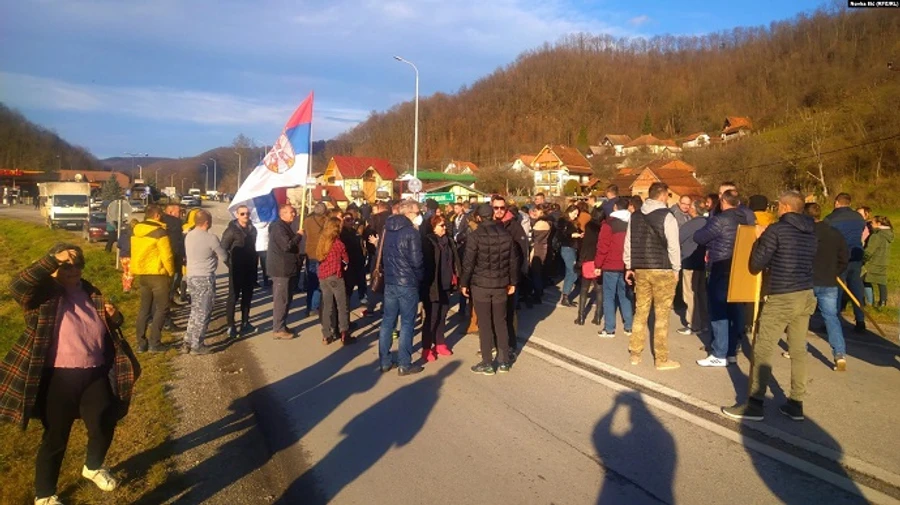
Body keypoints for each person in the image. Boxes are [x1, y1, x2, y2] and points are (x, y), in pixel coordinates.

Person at [0, 244, 139, 505]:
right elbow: (17, 286)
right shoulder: (42, 295)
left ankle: (93, 467)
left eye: (76, 264)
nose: (72, 270)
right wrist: (52, 258)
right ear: (53, 269)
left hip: (94, 372)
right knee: (56, 435)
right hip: (58, 377)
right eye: (65, 265)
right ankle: (44, 495)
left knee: (103, 421)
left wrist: (115, 317)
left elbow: (104, 327)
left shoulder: (90, 291)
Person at [723, 191, 817, 422]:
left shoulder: (776, 230)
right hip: (805, 293)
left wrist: (758, 239)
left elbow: (756, 264)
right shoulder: (812, 231)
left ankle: (755, 403)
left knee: (763, 348)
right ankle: (796, 402)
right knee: (797, 351)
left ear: (784, 207)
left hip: (782, 294)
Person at [624, 182, 681, 370]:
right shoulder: (667, 216)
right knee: (662, 315)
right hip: (662, 269)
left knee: (640, 311)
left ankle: (635, 353)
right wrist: (676, 269)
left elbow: (629, 242)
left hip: (641, 268)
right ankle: (661, 358)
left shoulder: (636, 216)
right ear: (663, 195)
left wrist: (629, 265)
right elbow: (673, 246)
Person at [693, 190, 751, 367]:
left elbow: (700, 237)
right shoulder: (745, 218)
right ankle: (731, 351)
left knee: (718, 311)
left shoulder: (721, 219)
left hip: (720, 265)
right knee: (734, 310)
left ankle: (719, 352)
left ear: (723, 202)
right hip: (738, 267)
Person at [462, 203, 520, 375]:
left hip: (480, 285)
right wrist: (513, 282)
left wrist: (463, 283)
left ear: (479, 217)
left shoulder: (475, 236)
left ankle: (487, 361)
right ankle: (503, 361)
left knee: (485, 324)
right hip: (501, 284)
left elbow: (468, 263)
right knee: (501, 322)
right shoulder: (506, 235)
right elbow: (513, 262)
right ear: (493, 215)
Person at [378, 199, 425, 376]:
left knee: (387, 321)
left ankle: (384, 361)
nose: (418, 215)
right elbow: (417, 261)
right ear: (408, 213)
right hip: (407, 283)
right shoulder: (411, 233)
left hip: (390, 281)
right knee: (406, 323)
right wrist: (419, 278)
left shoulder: (387, 230)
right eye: (416, 212)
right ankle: (404, 364)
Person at [804, 202, 849, 371]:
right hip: (829, 281)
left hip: (807, 280)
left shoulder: (805, 234)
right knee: (831, 318)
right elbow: (844, 257)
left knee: (802, 316)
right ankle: (839, 354)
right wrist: (835, 271)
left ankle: (799, 348)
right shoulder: (835, 233)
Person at [131, 205, 176, 353]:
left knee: (144, 309)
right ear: (156, 216)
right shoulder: (160, 232)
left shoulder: (137, 231)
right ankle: (154, 343)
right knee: (162, 308)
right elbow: (167, 255)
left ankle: (140, 343)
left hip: (143, 274)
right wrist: (170, 272)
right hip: (158, 274)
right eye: (161, 215)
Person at [182, 210, 228, 355]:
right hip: (205, 277)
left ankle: (187, 341)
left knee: (195, 311)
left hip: (191, 276)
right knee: (204, 312)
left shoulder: (189, 235)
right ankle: (197, 345)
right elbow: (224, 256)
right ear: (207, 222)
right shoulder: (211, 238)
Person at [824, 193, 867, 332]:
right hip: (856, 256)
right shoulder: (859, 218)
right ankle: (860, 320)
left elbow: (826, 239)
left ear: (837, 202)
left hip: (839, 258)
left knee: (836, 291)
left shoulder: (831, 218)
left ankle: (832, 322)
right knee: (856, 288)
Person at [421, 215, 460, 361]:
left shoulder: (449, 241)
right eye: (441, 225)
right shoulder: (428, 241)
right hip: (432, 285)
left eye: (445, 225)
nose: (445, 228)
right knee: (432, 317)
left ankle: (440, 343)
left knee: (443, 315)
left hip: (446, 283)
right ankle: (426, 347)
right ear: (433, 227)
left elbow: (454, 260)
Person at [595, 198, 632, 337]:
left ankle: (609, 328)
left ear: (615, 207)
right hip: (626, 264)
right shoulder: (631, 223)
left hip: (610, 264)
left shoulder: (608, 224)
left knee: (609, 297)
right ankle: (629, 326)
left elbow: (602, 246)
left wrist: (598, 264)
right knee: (625, 295)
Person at [220, 205, 258, 338]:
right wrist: (230, 264)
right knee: (233, 296)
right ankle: (231, 325)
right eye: (242, 214)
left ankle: (245, 322)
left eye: (247, 213)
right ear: (237, 215)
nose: (245, 216)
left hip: (250, 268)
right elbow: (223, 249)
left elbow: (254, 248)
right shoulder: (231, 230)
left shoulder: (253, 230)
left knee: (247, 296)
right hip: (236, 268)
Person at [317, 216, 355, 345]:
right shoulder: (338, 243)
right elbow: (346, 260)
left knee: (327, 306)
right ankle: (344, 333)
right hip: (335, 275)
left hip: (323, 276)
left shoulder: (322, 241)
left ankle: (326, 335)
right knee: (341, 305)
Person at [269, 204, 303, 339]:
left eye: (294, 212)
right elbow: (287, 245)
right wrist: (299, 236)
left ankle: (282, 324)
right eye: (291, 212)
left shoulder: (285, 227)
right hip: (281, 269)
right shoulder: (278, 227)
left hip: (288, 268)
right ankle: (278, 328)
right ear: (282, 214)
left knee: (287, 298)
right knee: (281, 300)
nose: (294, 215)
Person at [677, 198, 708, 337]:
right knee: (701, 294)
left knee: (689, 294)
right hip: (703, 263)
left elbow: (677, 239)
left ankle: (693, 324)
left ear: (694, 209)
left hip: (689, 262)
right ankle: (704, 323)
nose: (688, 208)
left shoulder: (690, 225)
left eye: (690, 206)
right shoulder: (708, 223)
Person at [576, 208, 604, 326]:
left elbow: (585, 245)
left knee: (584, 289)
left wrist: (580, 261)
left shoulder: (589, 226)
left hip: (588, 259)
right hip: (598, 260)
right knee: (599, 290)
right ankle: (597, 316)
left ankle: (581, 317)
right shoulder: (603, 227)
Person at [303, 203, 328, 317]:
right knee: (319, 282)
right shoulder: (326, 221)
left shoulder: (307, 220)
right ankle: (314, 306)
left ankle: (309, 306)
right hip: (320, 254)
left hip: (310, 253)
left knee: (311, 281)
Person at [161, 204, 187, 310]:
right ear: (171, 212)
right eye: (178, 212)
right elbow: (177, 242)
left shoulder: (161, 221)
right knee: (174, 279)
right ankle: (168, 302)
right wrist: (183, 256)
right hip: (174, 257)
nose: (181, 214)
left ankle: (168, 301)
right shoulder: (175, 222)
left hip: (163, 256)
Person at [864, 216, 893, 308]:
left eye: (872, 223)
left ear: (879, 224)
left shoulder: (876, 236)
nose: (871, 225)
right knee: (881, 282)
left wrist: (862, 259)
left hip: (873, 262)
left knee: (864, 279)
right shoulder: (888, 235)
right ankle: (883, 302)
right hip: (883, 261)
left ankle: (869, 302)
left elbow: (869, 251)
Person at [558, 204, 584, 307]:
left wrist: (580, 234)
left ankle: (566, 296)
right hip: (567, 248)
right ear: (569, 212)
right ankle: (565, 295)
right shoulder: (563, 222)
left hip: (573, 248)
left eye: (577, 214)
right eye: (574, 213)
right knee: (573, 271)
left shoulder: (573, 222)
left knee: (570, 272)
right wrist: (572, 235)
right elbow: (561, 236)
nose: (576, 216)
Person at [340, 212, 367, 304]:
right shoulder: (341, 233)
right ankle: (345, 304)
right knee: (347, 286)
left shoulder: (354, 232)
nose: (351, 222)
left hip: (357, 261)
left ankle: (361, 297)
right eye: (347, 220)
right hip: (348, 262)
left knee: (357, 282)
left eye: (352, 220)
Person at [529, 204, 551, 305]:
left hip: (538, 248)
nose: (534, 212)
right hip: (542, 247)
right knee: (538, 271)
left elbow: (535, 239)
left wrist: (532, 253)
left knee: (536, 272)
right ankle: (539, 291)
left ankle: (537, 294)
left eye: (536, 211)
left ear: (541, 212)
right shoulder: (546, 222)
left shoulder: (540, 223)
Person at [118, 219, 137, 293]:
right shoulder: (135, 234)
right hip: (130, 256)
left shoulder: (123, 233)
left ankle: (124, 286)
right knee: (131, 273)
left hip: (123, 256)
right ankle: (127, 288)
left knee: (125, 272)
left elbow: (118, 245)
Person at [254, 220, 270, 287]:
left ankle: (254, 281)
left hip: (255, 247)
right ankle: (266, 281)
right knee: (265, 266)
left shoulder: (253, 224)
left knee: (254, 265)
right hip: (264, 247)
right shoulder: (268, 224)